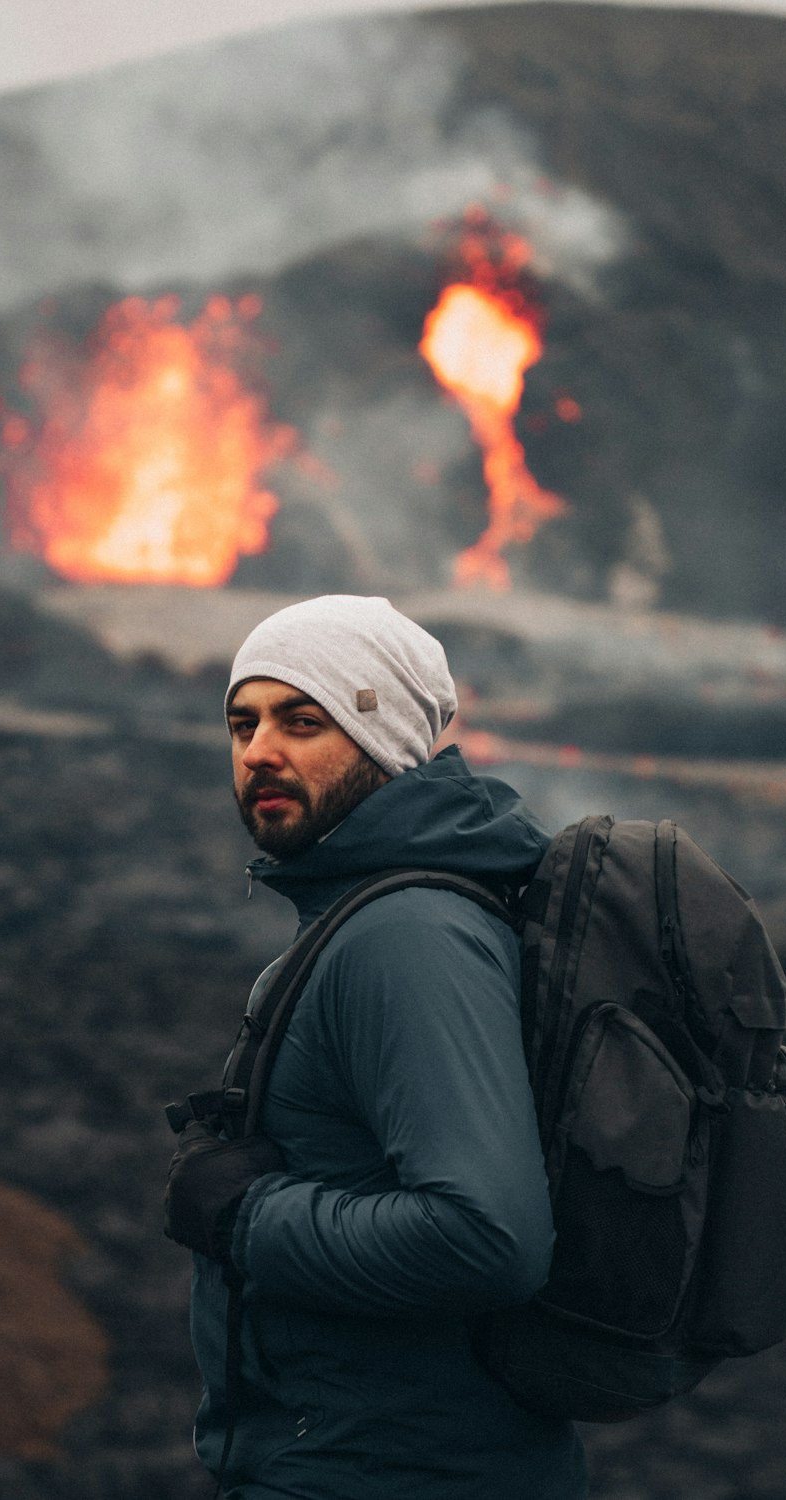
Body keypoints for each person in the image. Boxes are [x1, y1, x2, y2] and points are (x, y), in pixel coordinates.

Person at [165, 595, 588, 1499]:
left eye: (303, 720)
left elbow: (490, 1238)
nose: (259, 751)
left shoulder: (408, 937)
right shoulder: (375, 915)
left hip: (390, 1472)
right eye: (243, 724)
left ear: (389, 736)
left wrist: (244, 1218)